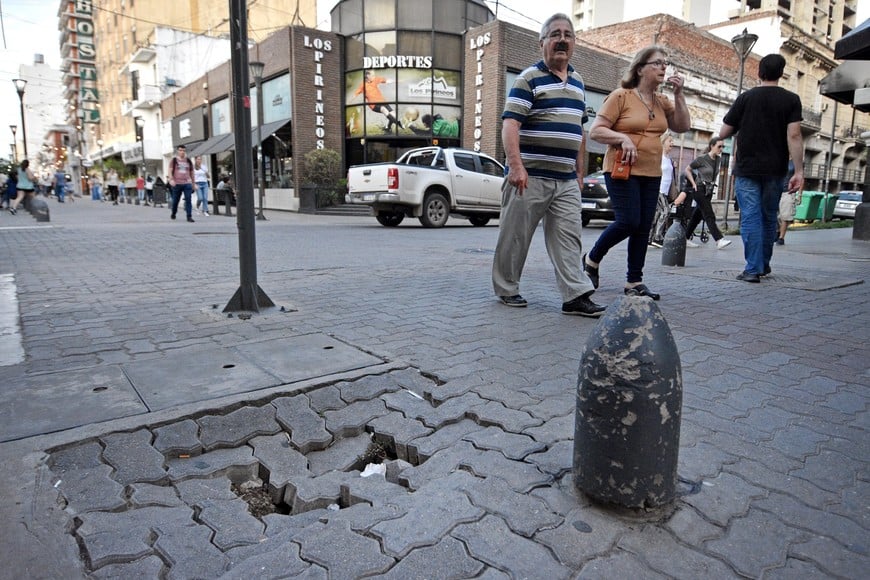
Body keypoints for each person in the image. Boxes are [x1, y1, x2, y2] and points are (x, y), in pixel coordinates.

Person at [492, 13, 604, 317]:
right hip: (529, 176)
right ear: (542, 42)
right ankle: (507, 288)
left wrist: (580, 171)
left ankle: (575, 296)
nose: (563, 40)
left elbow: (579, 130)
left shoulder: (579, 82)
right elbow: (510, 124)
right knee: (515, 237)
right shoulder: (529, 78)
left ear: (575, 43)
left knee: (569, 237)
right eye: (555, 34)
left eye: (568, 34)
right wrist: (516, 166)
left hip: (566, 179)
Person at [584, 45, 690, 300]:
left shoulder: (662, 101)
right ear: (641, 68)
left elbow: (683, 126)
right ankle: (592, 258)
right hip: (622, 169)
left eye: (666, 63)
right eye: (657, 63)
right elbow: (596, 130)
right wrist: (622, 138)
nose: (664, 67)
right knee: (629, 221)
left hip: (651, 172)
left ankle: (634, 281)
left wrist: (679, 94)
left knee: (643, 227)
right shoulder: (621, 96)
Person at [719, 54, 803, 283]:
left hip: (747, 168)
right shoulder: (791, 100)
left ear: (759, 72)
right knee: (768, 216)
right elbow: (794, 135)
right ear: (781, 73)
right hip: (776, 169)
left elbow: (724, 133)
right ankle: (763, 264)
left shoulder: (745, 98)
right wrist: (798, 171)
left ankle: (753, 268)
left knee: (750, 216)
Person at [684, 137, 732, 249]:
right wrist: (693, 183)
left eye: (723, 146)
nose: (721, 149)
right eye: (719, 146)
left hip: (708, 191)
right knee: (709, 215)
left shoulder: (718, 160)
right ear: (712, 146)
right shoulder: (702, 159)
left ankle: (685, 238)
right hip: (699, 189)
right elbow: (687, 169)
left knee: (697, 216)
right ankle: (719, 239)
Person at [649, 133, 678, 247]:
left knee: (656, 214)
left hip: (665, 191)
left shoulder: (669, 159)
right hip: (658, 189)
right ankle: (657, 237)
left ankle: (649, 238)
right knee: (665, 211)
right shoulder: (658, 157)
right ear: (663, 142)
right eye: (670, 141)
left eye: (672, 141)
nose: (672, 143)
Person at [169, 145, 195, 222]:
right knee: (175, 201)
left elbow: (192, 173)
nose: (182, 152)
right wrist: (171, 180)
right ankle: (173, 213)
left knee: (188, 199)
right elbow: (170, 171)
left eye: (183, 150)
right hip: (177, 184)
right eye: (180, 150)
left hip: (187, 183)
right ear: (178, 151)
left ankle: (189, 216)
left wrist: (193, 183)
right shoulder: (174, 160)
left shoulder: (188, 161)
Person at [776, 160, 798, 245]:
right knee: (774, 215)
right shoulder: (778, 158)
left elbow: (801, 178)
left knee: (785, 216)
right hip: (775, 190)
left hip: (788, 192)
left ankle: (781, 238)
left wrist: (799, 194)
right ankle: (778, 230)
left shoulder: (795, 163)